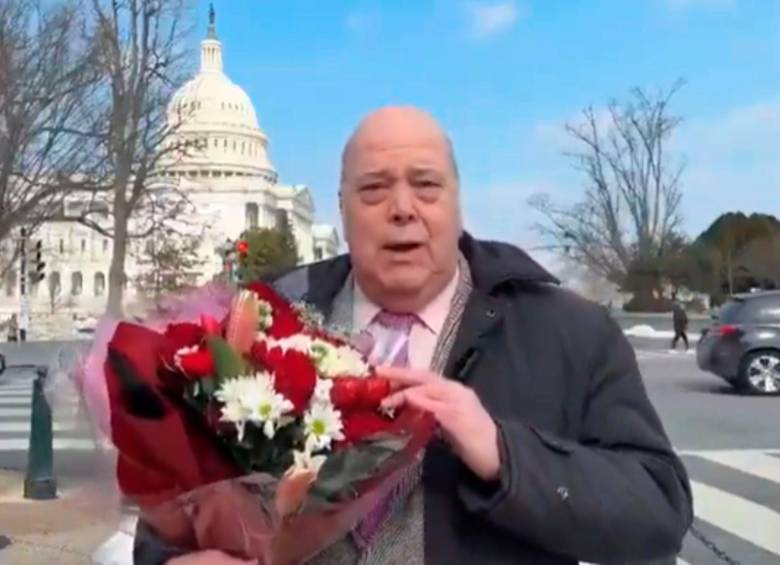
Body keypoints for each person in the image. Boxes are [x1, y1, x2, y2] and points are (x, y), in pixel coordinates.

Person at [134, 107, 693, 565]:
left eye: (426, 186)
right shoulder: (254, 329)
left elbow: (656, 514)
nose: (403, 210)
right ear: (342, 209)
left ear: (456, 201)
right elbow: (166, 522)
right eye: (374, 190)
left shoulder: (569, 333)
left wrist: (505, 454)